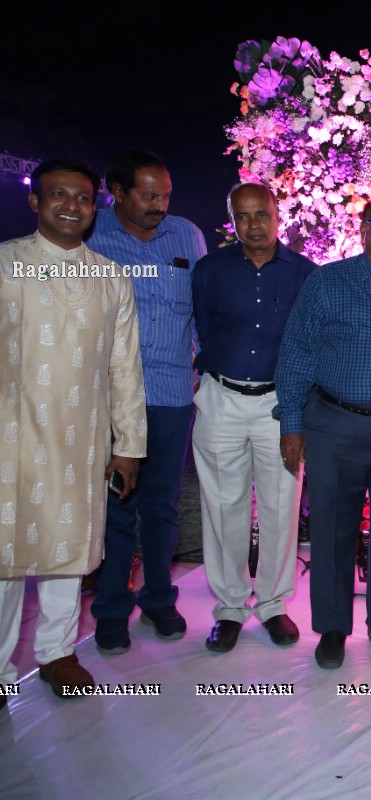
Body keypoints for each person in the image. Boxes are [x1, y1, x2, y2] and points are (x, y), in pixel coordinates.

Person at [0, 159, 147, 697]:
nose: (71, 205)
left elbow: (124, 368)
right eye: (58, 195)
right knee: (6, 556)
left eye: (82, 198)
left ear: (95, 207)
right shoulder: (5, 264)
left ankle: (58, 653)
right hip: (8, 438)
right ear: (35, 201)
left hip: (81, 439)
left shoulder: (111, 279)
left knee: (67, 549)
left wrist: (129, 446)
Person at [275, 197, 371, 669]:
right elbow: (297, 353)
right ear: (363, 229)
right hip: (336, 426)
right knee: (331, 527)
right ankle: (332, 628)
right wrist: (291, 424)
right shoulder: (328, 282)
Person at [87, 149, 206, 653]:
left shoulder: (186, 235)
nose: (160, 203)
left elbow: (203, 304)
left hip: (172, 394)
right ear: (118, 191)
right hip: (109, 399)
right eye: (148, 194)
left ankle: (159, 598)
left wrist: (201, 358)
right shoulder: (93, 237)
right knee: (114, 506)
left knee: (161, 507)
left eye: (166, 194)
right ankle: (112, 607)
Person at [192, 183, 317, 653]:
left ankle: (273, 605)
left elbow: (309, 344)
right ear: (233, 220)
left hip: (278, 405)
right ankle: (228, 608)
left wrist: (299, 414)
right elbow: (205, 328)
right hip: (222, 397)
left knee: (281, 505)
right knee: (223, 506)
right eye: (242, 216)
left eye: (261, 214)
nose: (254, 224)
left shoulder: (306, 274)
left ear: (277, 213)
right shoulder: (210, 271)